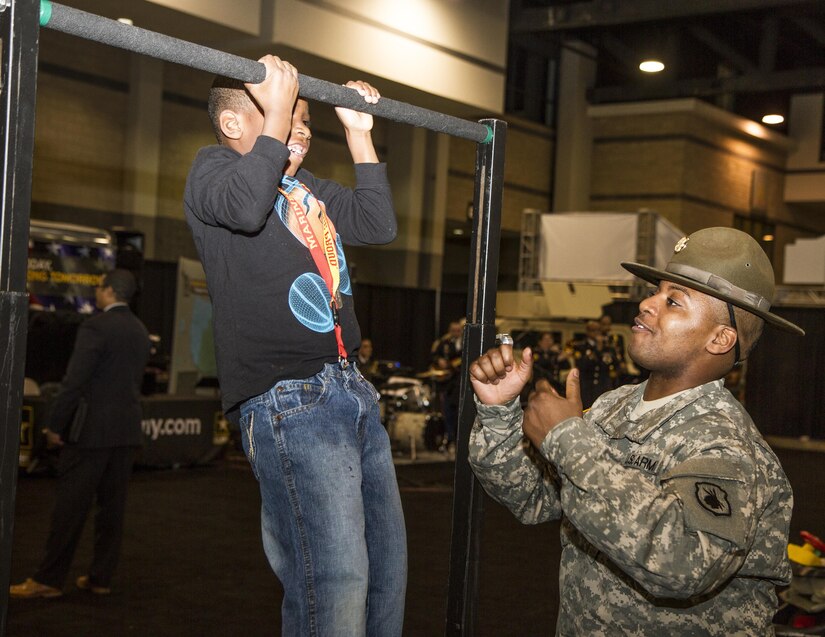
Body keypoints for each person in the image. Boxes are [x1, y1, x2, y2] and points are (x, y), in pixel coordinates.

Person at [467, 227, 803, 636]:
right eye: (655, 292)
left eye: (673, 301)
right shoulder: (613, 407)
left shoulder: (726, 443)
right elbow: (532, 499)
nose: (646, 304)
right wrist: (500, 411)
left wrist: (567, 439)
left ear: (720, 338)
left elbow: (685, 564)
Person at [183, 56, 406, 635]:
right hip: (289, 395)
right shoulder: (213, 171)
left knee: (385, 575)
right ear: (234, 125)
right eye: (285, 112)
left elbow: (378, 224)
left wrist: (359, 137)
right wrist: (279, 116)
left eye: (305, 117)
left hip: (350, 387)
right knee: (335, 581)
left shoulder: (306, 187)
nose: (300, 125)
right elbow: (244, 206)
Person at [11, 269, 151, 599]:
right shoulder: (141, 331)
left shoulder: (95, 327)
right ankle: (100, 578)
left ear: (109, 292)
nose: (96, 293)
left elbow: (74, 382)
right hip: (126, 431)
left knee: (69, 509)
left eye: (99, 287)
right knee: (112, 511)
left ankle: (48, 579)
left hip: (90, 433)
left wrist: (55, 426)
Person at [430, 320, 463, 451]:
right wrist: (440, 361)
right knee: (447, 412)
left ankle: (456, 440)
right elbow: (433, 356)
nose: (455, 333)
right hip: (446, 383)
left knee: (457, 413)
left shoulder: (466, 343)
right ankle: (449, 438)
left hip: (459, 383)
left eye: (458, 330)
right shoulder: (444, 343)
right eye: (453, 330)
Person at [570, 319, 616, 408]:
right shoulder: (580, 347)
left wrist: (601, 347)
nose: (596, 333)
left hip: (603, 387)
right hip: (587, 388)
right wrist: (598, 350)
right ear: (588, 332)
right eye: (593, 330)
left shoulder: (608, 347)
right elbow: (582, 365)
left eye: (598, 330)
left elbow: (613, 364)